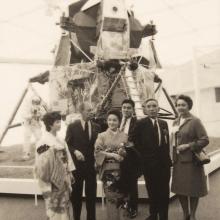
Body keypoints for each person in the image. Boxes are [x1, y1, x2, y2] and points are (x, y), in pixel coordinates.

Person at [129, 98, 172, 220]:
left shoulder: (164, 123)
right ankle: (153, 215)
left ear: (158, 108)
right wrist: (142, 158)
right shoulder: (140, 124)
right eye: (149, 106)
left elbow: (165, 143)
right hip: (149, 165)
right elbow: (132, 142)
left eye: (154, 106)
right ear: (145, 109)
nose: (152, 108)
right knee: (152, 191)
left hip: (164, 165)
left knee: (164, 192)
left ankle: (164, 216)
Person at [171, 95, 209, 220]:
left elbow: (204, 140)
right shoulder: (175, 121)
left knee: (193, 190)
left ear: (189, 106)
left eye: (183, 105)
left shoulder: (195, 121)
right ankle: (185, 214)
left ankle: (192, 215)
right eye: (178, 105)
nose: (180, 107)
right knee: (180, 189)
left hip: (191, 162)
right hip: (178, 162)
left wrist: (188, 145)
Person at [35, 111, 75, 220]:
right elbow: (41, 165)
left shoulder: (61, 140)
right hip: (51, 179)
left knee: (65, 205)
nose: (60, 124)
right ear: (50, 124)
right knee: (54, 208)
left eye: (60, 121)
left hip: (64, 177)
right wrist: (52, 153)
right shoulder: (42, 142)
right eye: (57, 122)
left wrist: (70, 172)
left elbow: (68, 158)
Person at [65, 102, 100, 220]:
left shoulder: (97, 127)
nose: (91, 112)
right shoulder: (72, 126)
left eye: (92, 110)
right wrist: (75, 151)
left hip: (91, 167)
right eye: (89, 110)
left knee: (91, 196)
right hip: (77, 168)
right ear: (81, 111)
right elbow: (67, 145)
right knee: (76, 197)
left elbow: (99, 147)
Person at [94, 110, 128, 220]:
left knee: (122, 198)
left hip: (122, 171)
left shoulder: (124, 136)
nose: (111, 122)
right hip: (108, 171)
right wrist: (112, 155)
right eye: (109, 120)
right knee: (112, 199)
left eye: (114, 120)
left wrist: (124, 154)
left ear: (119, 121)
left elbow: (129, 153)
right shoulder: (102, 135)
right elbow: (97, 152)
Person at [120, 99, 140, 218]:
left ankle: (133, 208)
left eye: (128, 108)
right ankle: (124, 205)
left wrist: (129, 146)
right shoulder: (116, 121)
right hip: (117, 158)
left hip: (131, 158)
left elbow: (138, 141)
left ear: (133, 110)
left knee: (132, 184)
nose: (126, 110)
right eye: (124, 107)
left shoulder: (137, 123)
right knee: (121, 181)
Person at [22, 96, 46, 160]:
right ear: (32, 101)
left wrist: (40, 114)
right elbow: (24, 115)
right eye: (34, 101)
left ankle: (40, 153)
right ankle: (26, 153)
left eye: (37, 102)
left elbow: (44, 116)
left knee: (39, 138)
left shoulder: (40, 108)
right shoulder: (28, 107)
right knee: (27, 138)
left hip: (36, 125)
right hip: (28, 125)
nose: (35, 103)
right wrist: (31, 115)